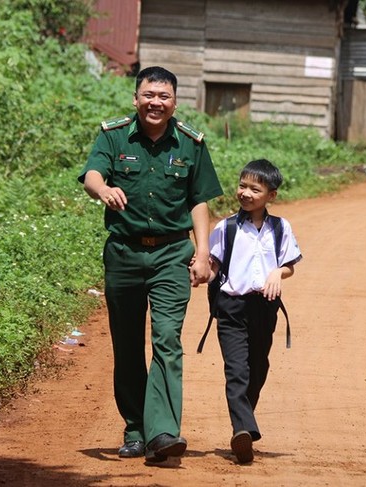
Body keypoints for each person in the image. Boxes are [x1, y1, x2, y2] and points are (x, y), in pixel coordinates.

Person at [78, 66, 223, 462]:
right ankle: (135, 429)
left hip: (171, 255)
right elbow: (92, 174)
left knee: (166, 340)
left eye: (163, 96)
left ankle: (162, 433)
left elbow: (199, 200)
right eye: (148, 95)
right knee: (126, 345)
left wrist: (203, 253)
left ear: (174, 102)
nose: (155, 102)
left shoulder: (191, 143)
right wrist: (104, 189)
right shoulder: (113, 135)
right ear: (135, 98)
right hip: (124, 254)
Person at [207, 159, 302, 464]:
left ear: (271, 195)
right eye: (242, 186)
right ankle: (242, 430)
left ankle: (244, 423)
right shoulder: (227, 228)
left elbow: (288, 265)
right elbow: (212, 266)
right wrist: (199, 271)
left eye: (254, 188)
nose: (245, 193)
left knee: (258, 368)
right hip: (232, 308)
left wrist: (278, 273)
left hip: (264, 308)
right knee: (237, 370)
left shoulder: (280, 227)